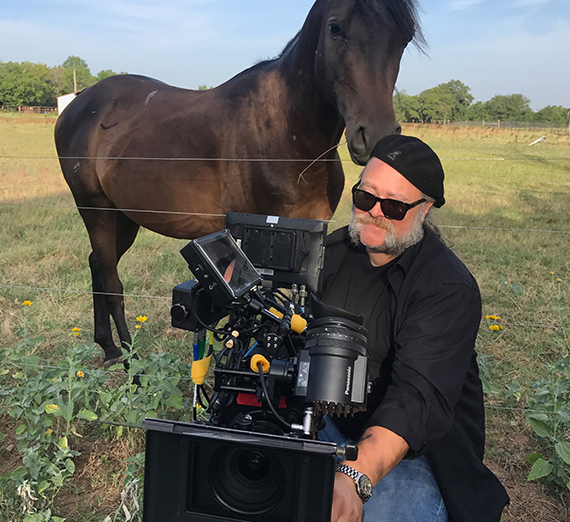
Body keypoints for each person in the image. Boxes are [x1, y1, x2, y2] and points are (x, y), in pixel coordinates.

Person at [318, 135, 509, 522]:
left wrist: (355, 474)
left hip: (414, 447)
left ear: (424, 210)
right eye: (365, 197)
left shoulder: (446, 287)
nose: (374, 212)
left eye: (393, 205)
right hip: (327, 421)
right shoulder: (327, 256)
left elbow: (417, 398)